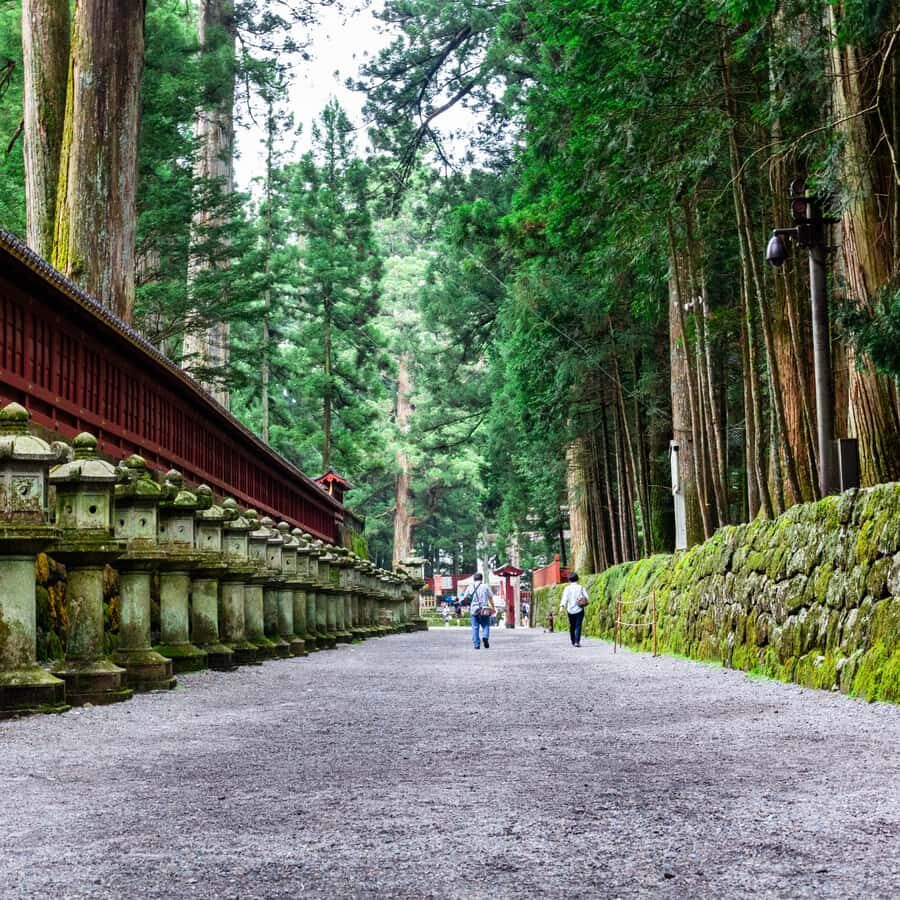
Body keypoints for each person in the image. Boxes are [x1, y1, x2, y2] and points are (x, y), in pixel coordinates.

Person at [463, 573, 494, 649]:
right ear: (481, 579)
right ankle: (485, 637)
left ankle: (476, 644)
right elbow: (490, 597)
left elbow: (465, 597)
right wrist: (493, 606)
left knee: (475, 627)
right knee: (486, 625)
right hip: (484, 609)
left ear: (474, 579)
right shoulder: (485, 586)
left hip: (474, 610)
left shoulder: (470, 587)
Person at [559, 572, 589, 647]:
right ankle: (577, 642)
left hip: (570, 610)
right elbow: (587, 597)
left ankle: (573, 641)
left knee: (572, 626)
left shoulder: (567, 588)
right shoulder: (581, 587)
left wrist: (562, 607)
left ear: (569, 580)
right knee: (578, 625)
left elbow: (564, 598)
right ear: (577, 579)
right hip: (579, 609)